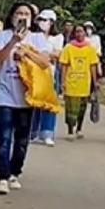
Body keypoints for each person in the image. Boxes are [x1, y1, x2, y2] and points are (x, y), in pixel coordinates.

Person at [0, 3, 50, 195]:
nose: (22, 16)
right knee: (4, 136)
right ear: (12, 16)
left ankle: (15, 172)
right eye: (19, 13)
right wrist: (13, 41)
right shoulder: (2, 36)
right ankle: (2, 176)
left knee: (22, 139)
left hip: (27, 96)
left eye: (26, 14)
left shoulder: (38, 38)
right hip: (5, 93)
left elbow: (45, 62)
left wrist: (27, 51)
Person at [60, 23, 100, 139]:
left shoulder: (90, 48)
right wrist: (62, 81)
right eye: (77, 31)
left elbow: (93, 66)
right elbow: (64, 65)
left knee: (82, 107)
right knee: (71, 107)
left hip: (84, 82)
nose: (79, 34)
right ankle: (70, 130)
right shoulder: (68, 48)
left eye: (81, 31)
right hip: (71, 81)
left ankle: (79, 128)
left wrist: (95, 81)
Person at [30, 9, 63, 146]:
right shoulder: (33, 36)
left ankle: (47, 133)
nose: (42, 23)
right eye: (40, 20)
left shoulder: (57, 37)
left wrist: (40, 55)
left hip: (50, 72)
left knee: (49, 103)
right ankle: (33, 132)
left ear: (52, 22)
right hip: (34, 72)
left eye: (45, 20)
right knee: (35, 102)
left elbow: (57, 54)